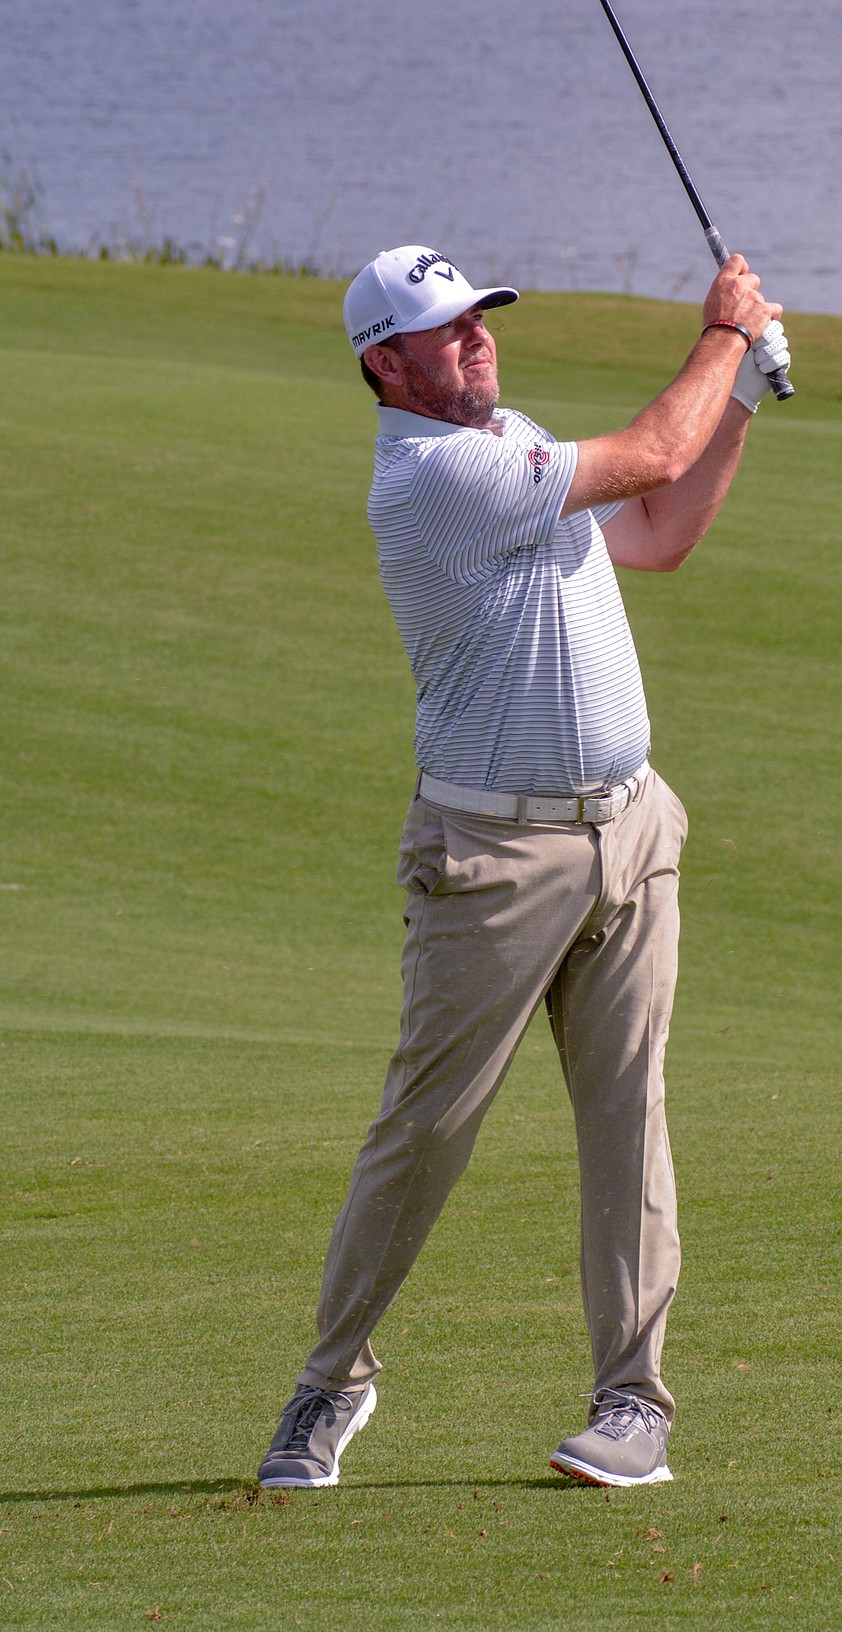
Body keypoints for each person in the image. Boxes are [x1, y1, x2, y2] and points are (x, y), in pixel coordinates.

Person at [258, 244, 789, 1490]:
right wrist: (722, 340)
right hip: (491, 856)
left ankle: (632, 1404)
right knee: (425, 1130)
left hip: (630, 833)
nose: (478, 341)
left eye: (480, 319)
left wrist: (744, 405)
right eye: (447, 332)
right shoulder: (434, 477)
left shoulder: (514, 438)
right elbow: (651, 453)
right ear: (385, 363)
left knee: (628, 1124)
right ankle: (330, 1382)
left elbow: (656, 531)